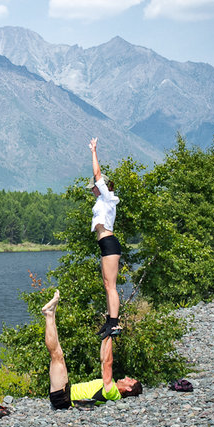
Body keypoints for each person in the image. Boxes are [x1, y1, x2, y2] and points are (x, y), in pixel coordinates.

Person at [42, 290, 141, 409]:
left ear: (128, 388)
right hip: (65, 392)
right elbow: (103, 358)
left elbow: (107, 364)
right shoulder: (110, 387)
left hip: (63, 398)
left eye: (130, 380)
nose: (127, 378)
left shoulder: (113, 392)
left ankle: (49, 314)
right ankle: (50, 314)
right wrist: (107, 334)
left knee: (57, 356)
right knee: (57, 355)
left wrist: (111, 335)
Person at [88, 137, 123, 339]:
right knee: (107, 285)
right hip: (105, 245)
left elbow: (97, 174)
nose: (92, 190)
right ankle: (110, 321)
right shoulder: (102, 200)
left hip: (110, 244)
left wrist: (94, 151)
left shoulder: (107, 197)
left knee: (111, 286)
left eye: (94, 187)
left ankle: (115, 324)